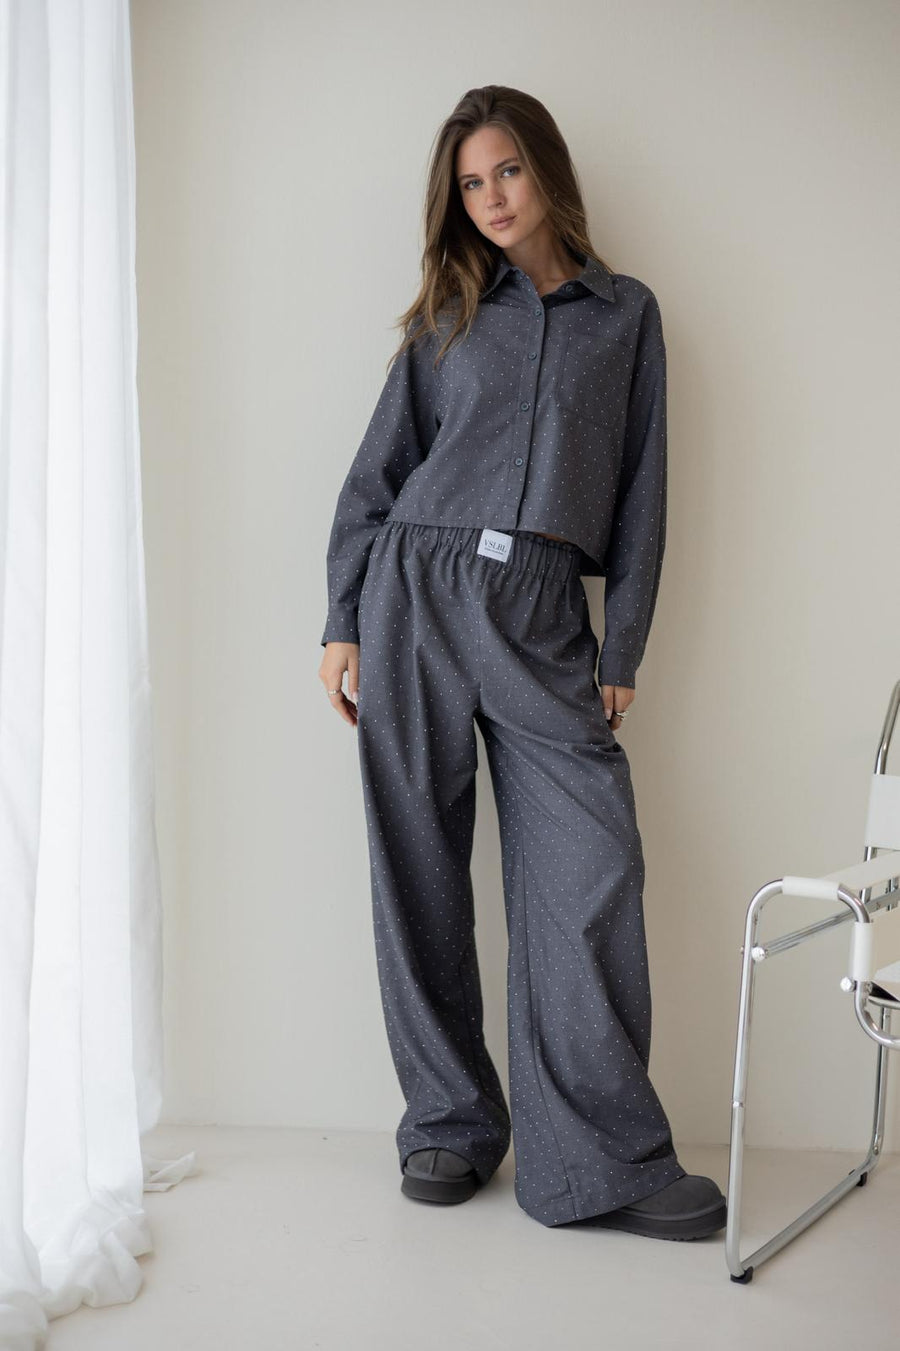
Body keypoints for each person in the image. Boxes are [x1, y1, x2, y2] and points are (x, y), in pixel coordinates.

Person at [318, 84, 726, 1241]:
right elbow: (379, 468)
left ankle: (595, 1160)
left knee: (592, 867)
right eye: (470, 182)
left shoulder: (626, 316)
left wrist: (625, 639)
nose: (492, 198)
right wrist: (344, 618)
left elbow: (643, 489)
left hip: (545, 614)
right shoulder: (447, 315)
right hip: (416, 589)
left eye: (506, 171)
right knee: (418, 867)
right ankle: (449, 1123)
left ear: (545, 169)